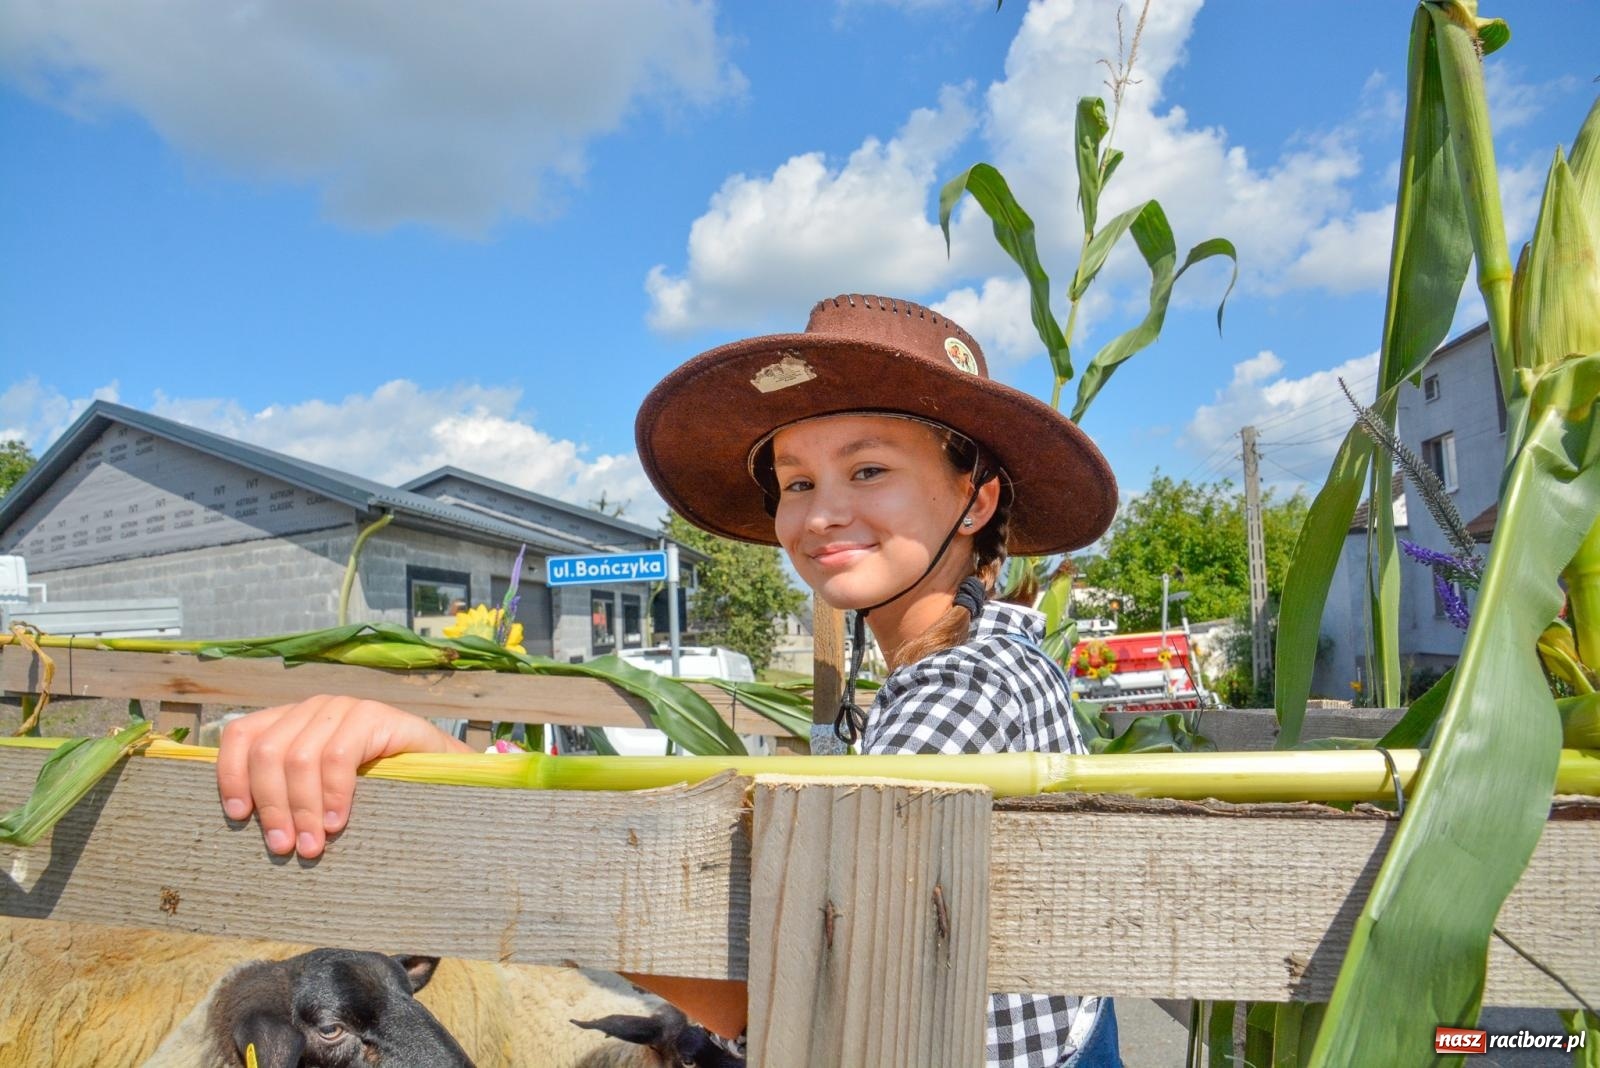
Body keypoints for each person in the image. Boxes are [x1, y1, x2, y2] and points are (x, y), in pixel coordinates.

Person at [215, 294, 1122, 1068]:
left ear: (980, 496)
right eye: (796, 482)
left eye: (869, 469)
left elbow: (801, 996)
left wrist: (451, 771)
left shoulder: (961, 692)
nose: (821, 512)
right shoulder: (962, 667)